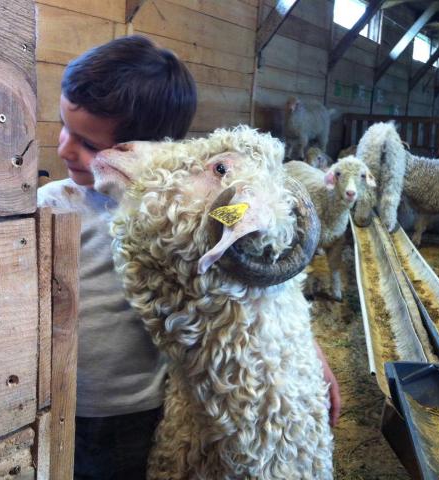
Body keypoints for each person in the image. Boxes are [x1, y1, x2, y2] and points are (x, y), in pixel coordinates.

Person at [37, 35, 340, 480]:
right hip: (59, 400)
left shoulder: (188, 224)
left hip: (146, 407)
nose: (64, 149)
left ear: (147, 146)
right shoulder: (49, 205)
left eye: (86, 143)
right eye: (65, 127)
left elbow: (248, 300)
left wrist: (310, 353)